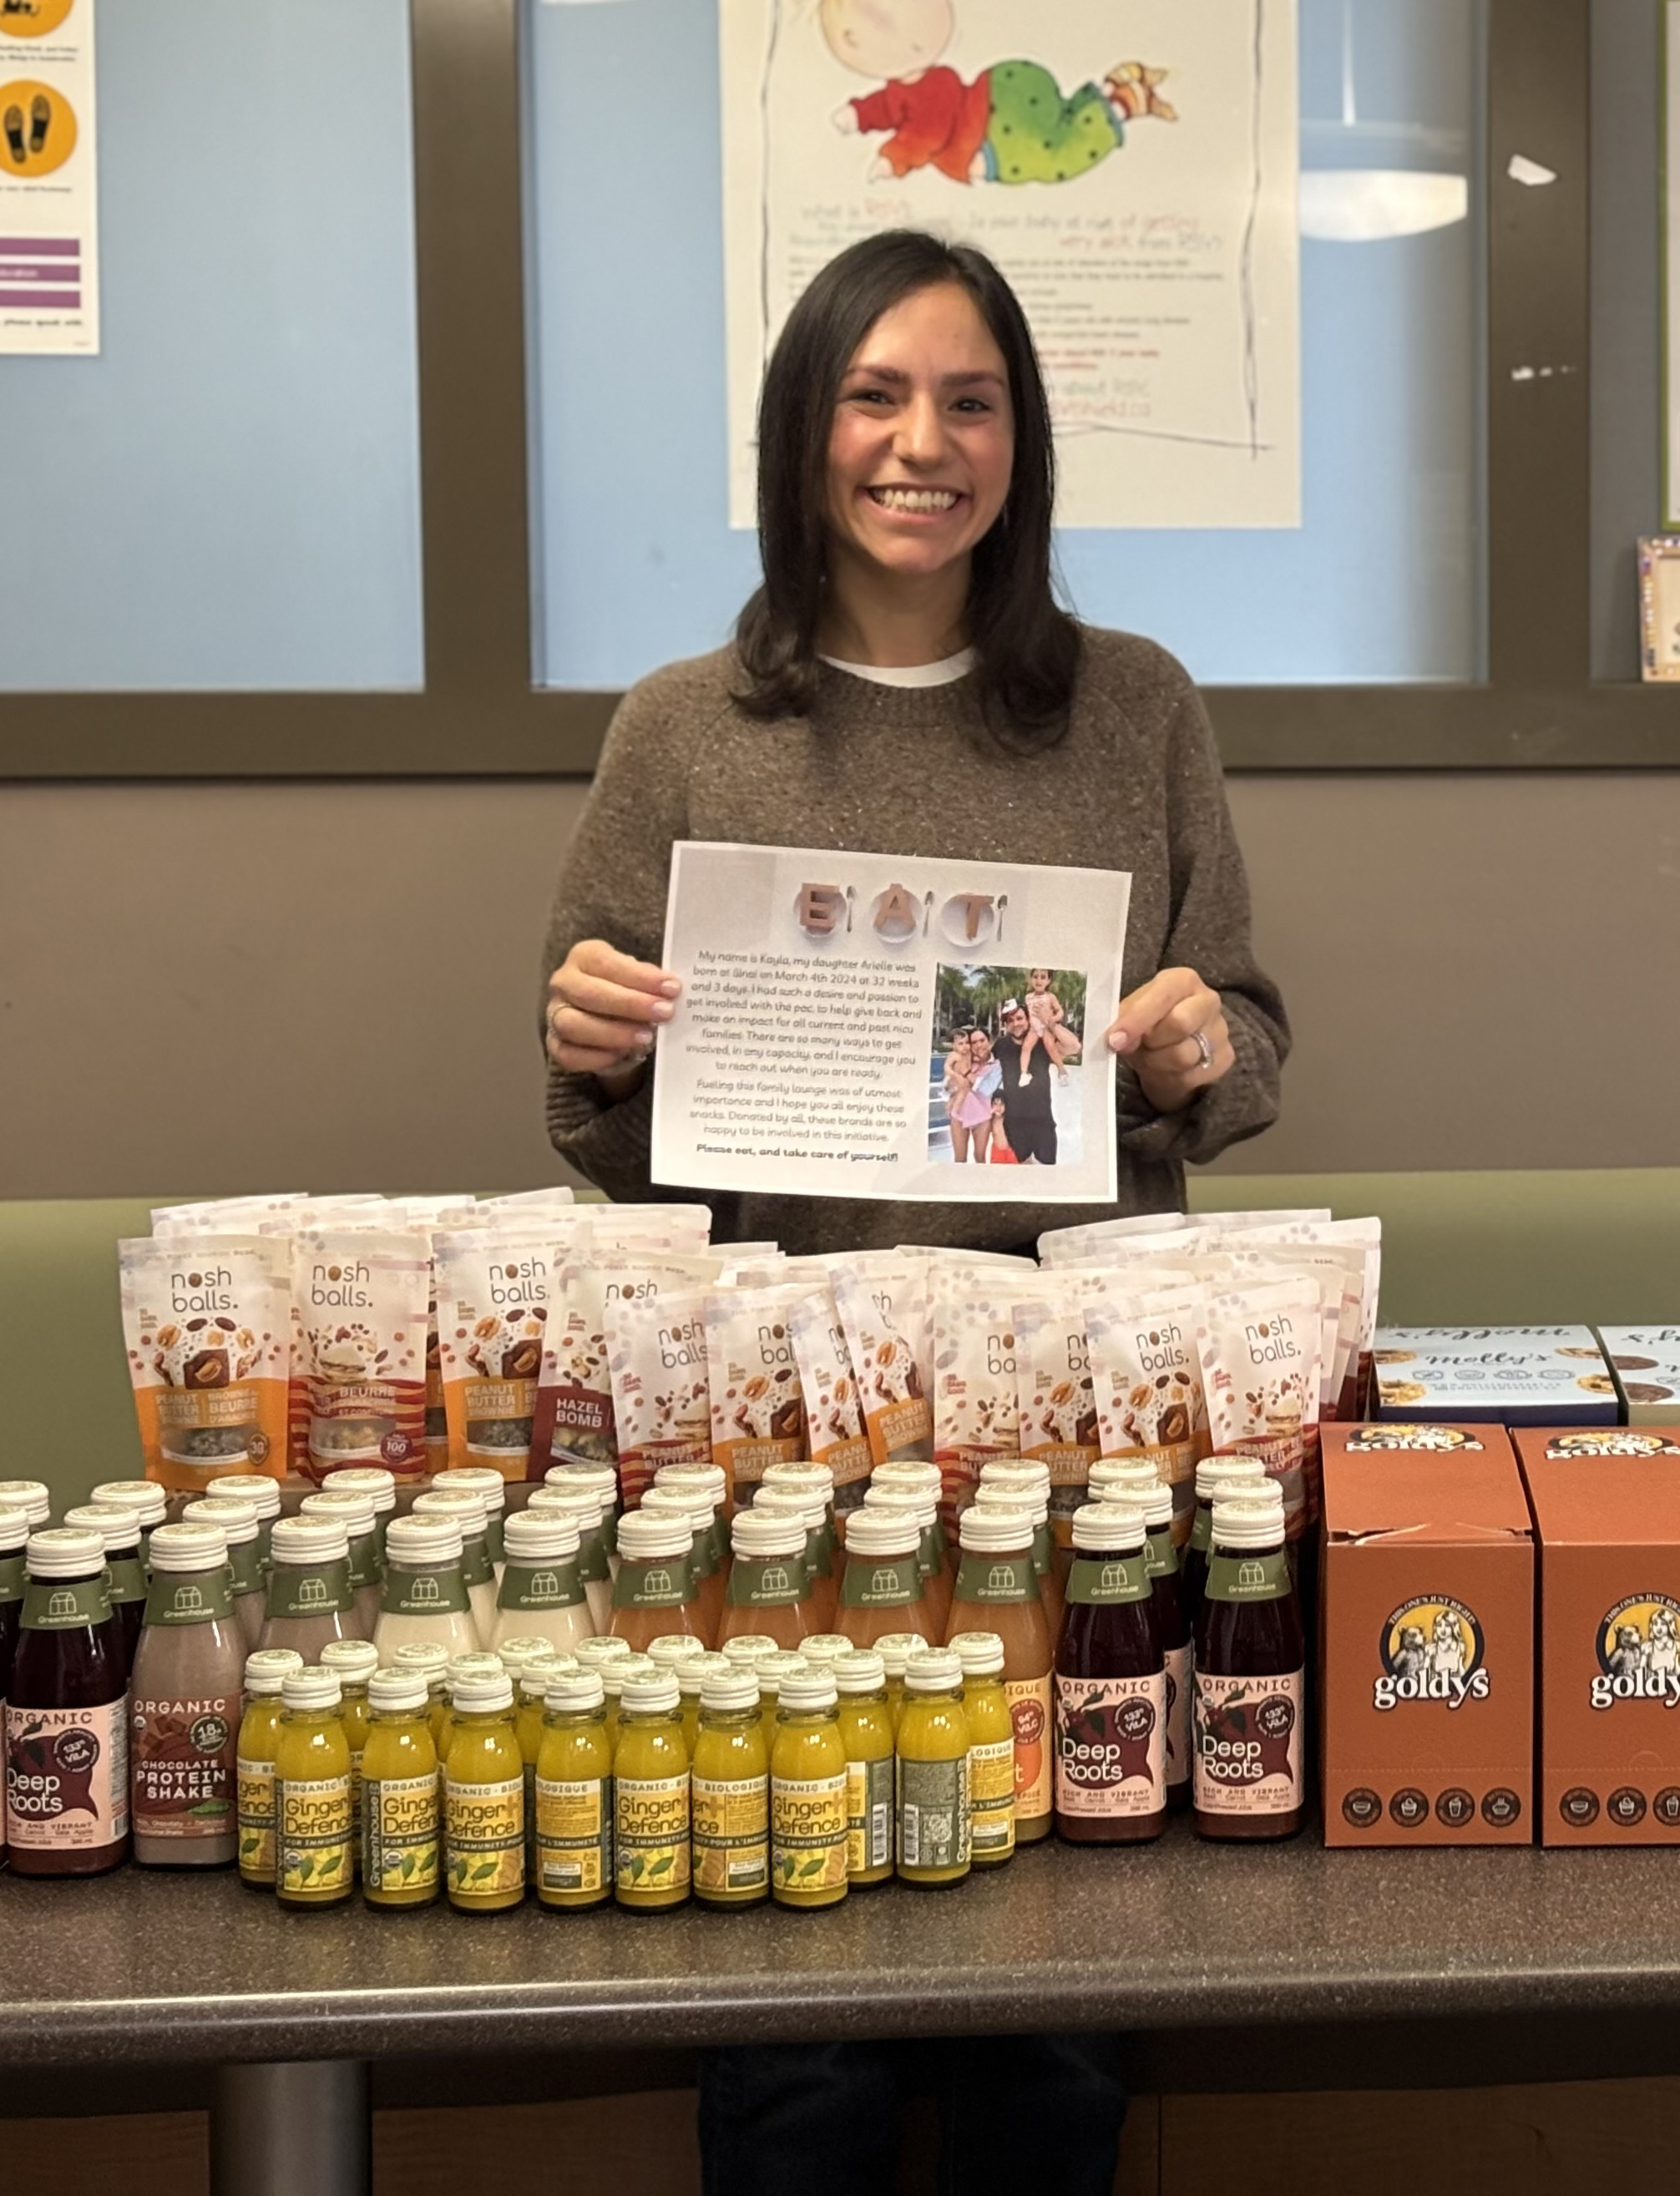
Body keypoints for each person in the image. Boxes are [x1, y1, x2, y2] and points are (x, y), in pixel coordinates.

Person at [539, 228, 1288, 2194]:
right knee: (794, 2034)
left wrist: (1198, 1041)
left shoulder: (1131, 709)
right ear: (805, 435)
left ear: (1019, 446)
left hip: (1064, 1454)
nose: (919, 442)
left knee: (1053, 2016)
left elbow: (1251, 1047)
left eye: (967, 400)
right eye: (873, 396)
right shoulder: (683, 724)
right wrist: (596, 1045)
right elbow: (595, 1132)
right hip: (773, 1462)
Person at [990, 998, 1058, 1164]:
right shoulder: (1001, 1046)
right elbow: (983, 1067)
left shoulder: (1043, 1043)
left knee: (1048, 1172)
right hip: (1014, 1123)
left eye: (1020, 1018)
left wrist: (1050, 1022)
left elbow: (1074, 1047)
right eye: (1010, 1020)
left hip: (1043, 1120)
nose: (1016, 1023)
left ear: (1028, 1018)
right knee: (1018, 1174)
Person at [1015, 964, 1080, 1085]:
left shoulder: (1050, 997)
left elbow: (1060, 1011)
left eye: (1043, 977)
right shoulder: (1028, 997)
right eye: (1035, 977)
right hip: (1034, 1029)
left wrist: (1054, 1019)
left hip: (1046, 1027)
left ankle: (1061, 1070)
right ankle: (1024, 1073)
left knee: (1050, 1045)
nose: (1039, 980)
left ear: (1048, 981)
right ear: (1031, 979)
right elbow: (1028, 1014)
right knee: (1026, 1047)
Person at [942, 1025, 993, 1161]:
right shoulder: (956, 1057)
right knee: (959, 1159)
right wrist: (955, 1077)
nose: (967, 1047)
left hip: (981, 1114)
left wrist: (964, 1074)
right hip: (959, 1113)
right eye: (974, 1042)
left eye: (982, 1041)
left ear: (990, 1042)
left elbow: (985, 1087)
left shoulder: (994, 1064)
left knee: (980, 1157)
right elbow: (947, 1081)